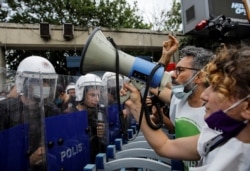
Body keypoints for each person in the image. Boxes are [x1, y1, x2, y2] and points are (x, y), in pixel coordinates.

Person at [121, 46, 250, 170]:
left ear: (248, 107)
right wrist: (135, 106)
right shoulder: (214, 139)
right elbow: (165, 146)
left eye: (216, 88)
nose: (205, 95)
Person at [150, 38, 214, 169]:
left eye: (180, 70)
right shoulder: (178, 101)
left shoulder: (217, 113)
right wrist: (165, 56)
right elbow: (150, 81)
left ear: (199, 76)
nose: (173, 75)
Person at [0, 56, 61, 170]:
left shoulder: (51, 110)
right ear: (23, 82)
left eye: (47, 82)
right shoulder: (5, 110)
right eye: (39, 81)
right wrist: (27, 162)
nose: (45, 86)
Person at [71, 73, 107, 163]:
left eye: (98, 95)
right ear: (81, 93)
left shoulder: (99, 111)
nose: (97, 99)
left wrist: (103, 133)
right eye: (92, 95)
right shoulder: (70, 114)